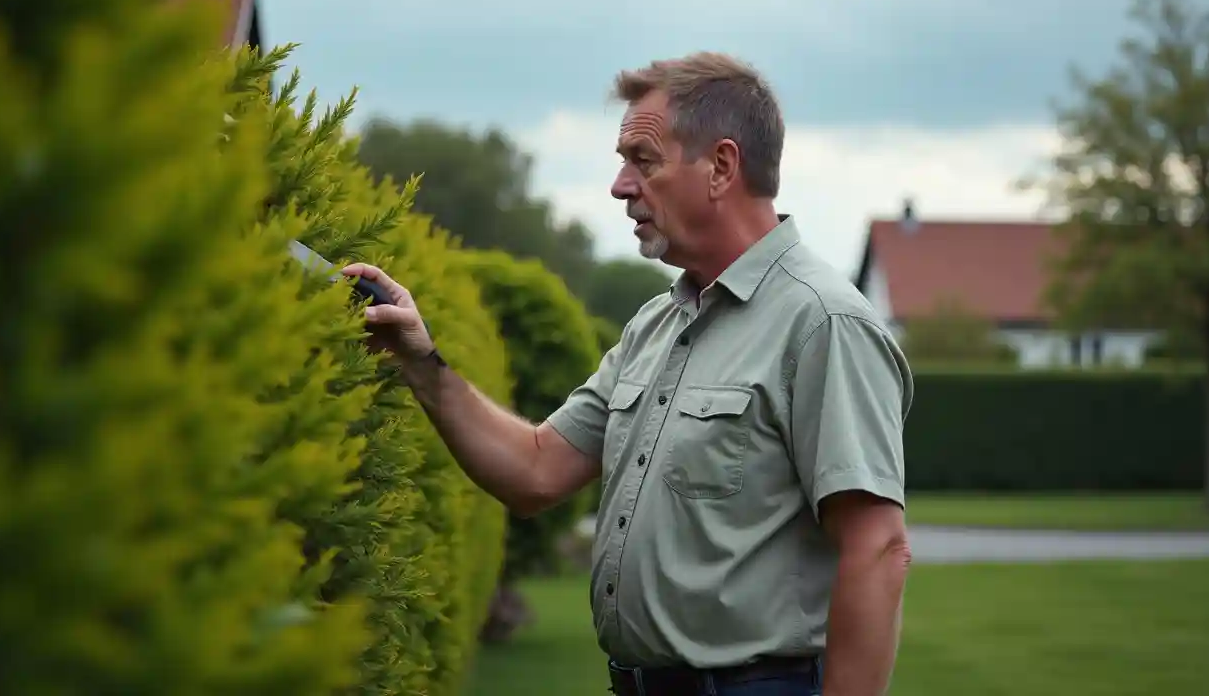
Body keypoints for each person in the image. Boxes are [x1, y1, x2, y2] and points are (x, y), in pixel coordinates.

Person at [341, 52, 913, 696]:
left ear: (721, 167)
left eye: (643, 160)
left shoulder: (823, 322)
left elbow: (878, 548)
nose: (620, 186)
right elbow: (536, 470)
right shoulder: (656, 325)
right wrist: (419, 360)